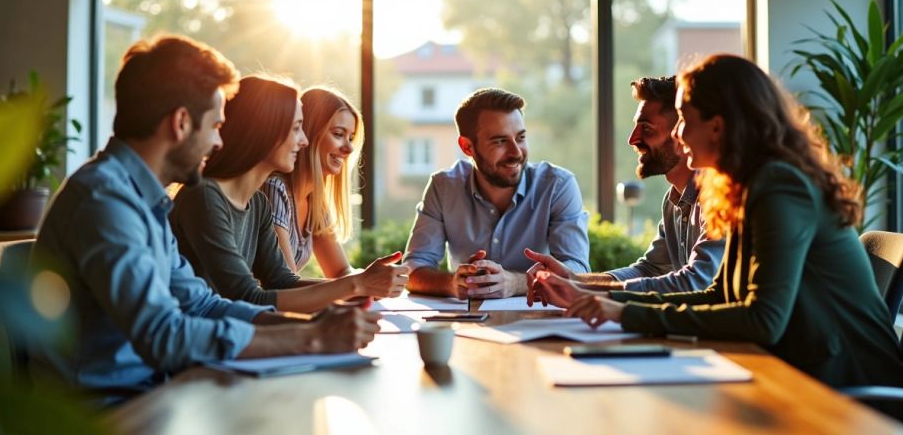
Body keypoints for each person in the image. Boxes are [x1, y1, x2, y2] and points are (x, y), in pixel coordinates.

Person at [29, 36, 379, 404]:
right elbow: (164, 335)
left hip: (155, 394)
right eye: (214, 126)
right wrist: (314, 339)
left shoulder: (142, 200)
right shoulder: (104, 201)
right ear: (181, 123)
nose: (218, 143)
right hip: (108, 413)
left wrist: (313, 326)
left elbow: (203, 305)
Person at [535, 54, 903, 389]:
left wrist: (623, 311)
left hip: (850, 392)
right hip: (801, 373)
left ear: (717, 126)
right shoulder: (746, 187)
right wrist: (605, 298)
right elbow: (720, 295)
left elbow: (763, 319)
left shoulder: (780, 185)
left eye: (683, 119)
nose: (679, 135)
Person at [170, 76, 409, 313]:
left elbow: (283, 282)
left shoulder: (258, 203)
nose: (303, 140)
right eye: (296, 129)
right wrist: (357, 285)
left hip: (230, 334)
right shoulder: (204, 197)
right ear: (265, 131)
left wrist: (360, 286)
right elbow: (246, 296)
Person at [524, 76, 723, 302]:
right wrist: (574, 280)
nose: (632, 139)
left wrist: (588, 293)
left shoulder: (718, 198)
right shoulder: (673, 201)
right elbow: (649, 269)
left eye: (646, 129)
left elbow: (697, 282)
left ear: (682, 133)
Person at [403, 87, 590, 299]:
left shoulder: (557, 185)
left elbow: (577, 270)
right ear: (467, 147)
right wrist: (453, 284)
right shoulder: (444, 187)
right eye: (500, 141)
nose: (516, 153)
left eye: (520, 138)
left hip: (537, 319)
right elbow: (413, 269)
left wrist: (516, 283)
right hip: (469, 323)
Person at [259, 87, 365, 278]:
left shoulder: (315, 199)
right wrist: (358, 284)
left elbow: (340, 271)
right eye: (339, 134)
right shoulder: (275, 188)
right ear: (309, 135)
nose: (349, 148)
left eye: (351, 137)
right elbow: (287, 284)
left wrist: (367, 278)